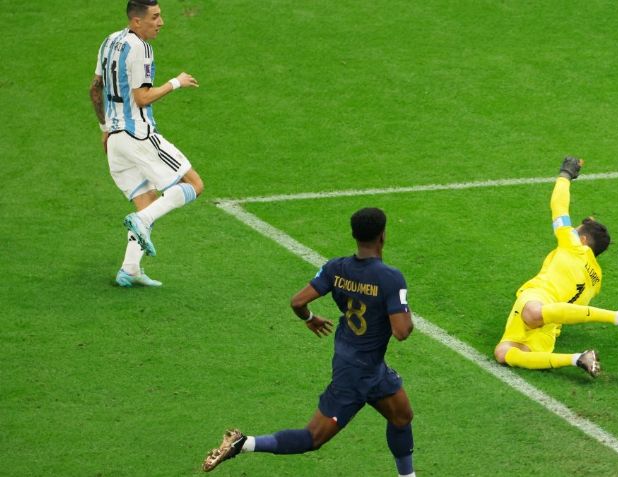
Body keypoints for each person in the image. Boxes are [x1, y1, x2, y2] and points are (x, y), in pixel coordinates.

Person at [202, 208, 417, 476]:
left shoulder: (336, 268)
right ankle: (242, 443)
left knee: (402, 417)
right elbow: (402, 331)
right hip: (354, 374)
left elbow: (298, 302)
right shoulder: (390, 278)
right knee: (313, 438)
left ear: (355, 235)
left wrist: (311, 318)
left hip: (367, 364)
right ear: (383, 235)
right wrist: (402, 310)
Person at [493, 157, 618, 377]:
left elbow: (558, 207)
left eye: (577, 230)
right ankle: (578, 359)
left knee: (531, 316)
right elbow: (577, 312)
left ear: (583, 240)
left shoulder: (574, 245)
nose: (572, 231)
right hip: (550, 325)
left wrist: (565, 175)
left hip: (538, 299)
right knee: (502, 353)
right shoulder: (596, 280)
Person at [89, 0, 204, 287]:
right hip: (139, 135)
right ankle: (141, 222)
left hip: (115, 140)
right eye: (155, 17)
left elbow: (95, 89)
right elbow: (141, 98)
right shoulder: (141, 48)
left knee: (146, 199)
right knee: (193, 184)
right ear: (137, 21)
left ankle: (129, 269)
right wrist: (175, 83)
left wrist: (104, 128)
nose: (161, 22)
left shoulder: (109, 41)